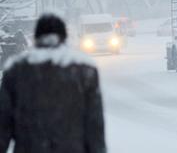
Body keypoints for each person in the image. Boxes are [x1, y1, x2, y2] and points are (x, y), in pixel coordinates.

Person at [0, 13, 106, 153]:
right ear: (64, 37)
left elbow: (3, 124)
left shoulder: (15, 71)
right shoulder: (84, 71)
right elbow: (94, 124)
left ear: (36, 37)